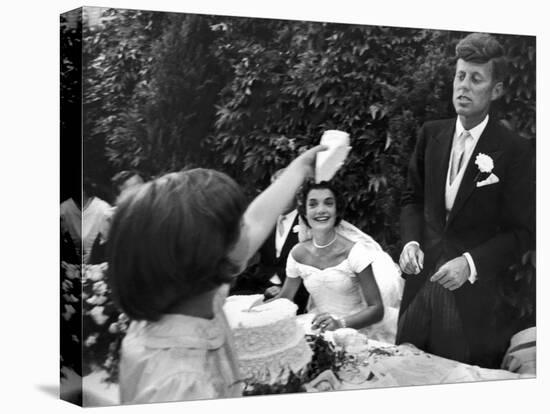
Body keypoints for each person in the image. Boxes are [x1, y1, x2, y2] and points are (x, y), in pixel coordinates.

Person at [107, 145, 325, 404]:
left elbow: (256, 221)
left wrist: (299, 167)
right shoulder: (181, 385)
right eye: (238, 225)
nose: (248, 225)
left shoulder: (193, 292)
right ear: (210, 254)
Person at [397, 33, 535, 368]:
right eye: (460, 76)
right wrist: (411, 241)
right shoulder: (431, 134)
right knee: (404, 371)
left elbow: (523, 233)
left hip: (472, 302)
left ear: (496, 90)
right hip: (419, 288)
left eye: (476, 79)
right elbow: (412, 199)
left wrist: (470, 264)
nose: (464, 86)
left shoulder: (514, 150)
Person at [263, 180, 403, 343]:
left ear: (337, 211)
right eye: (313, 204)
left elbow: (376, 310)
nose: (321, 210)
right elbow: (286, 298)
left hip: (355, 331)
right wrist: (255, 310)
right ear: (305, 212)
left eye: (328, 203)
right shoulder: (297, 253)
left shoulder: (355, 252)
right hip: (318, 327)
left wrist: (340, 324)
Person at [232, 168, 310, 313]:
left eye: (286, 192)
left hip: (296, 293)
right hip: (260, 287)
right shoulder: (264, 221)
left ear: (297, 193)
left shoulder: (308, 223)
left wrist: (283, 288)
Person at [60, 177, 112, 264]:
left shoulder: (103, 208)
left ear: (83, 191)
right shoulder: (65, 207)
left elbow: (108, 241)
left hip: (97, 262)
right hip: (71, 262)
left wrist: (94, 254)